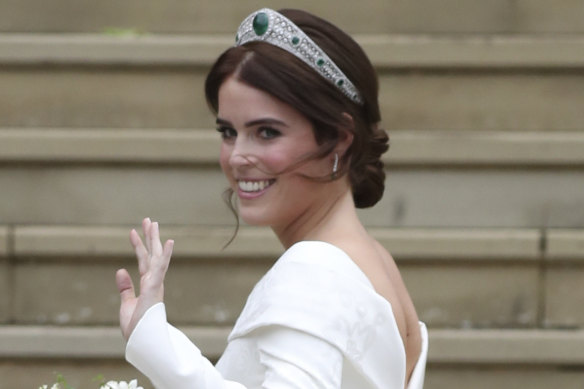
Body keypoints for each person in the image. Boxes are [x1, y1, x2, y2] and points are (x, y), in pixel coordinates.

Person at [115, 8, 428, 389]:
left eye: (266, 133)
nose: (237, 157)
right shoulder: (372, 261)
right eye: (228, 132)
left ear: (340, 138)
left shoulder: (313, 272)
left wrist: (158, 348)